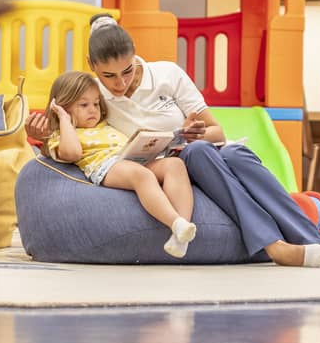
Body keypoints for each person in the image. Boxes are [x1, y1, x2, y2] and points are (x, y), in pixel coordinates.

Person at [86, 14, 320, 268]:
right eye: (108, 76)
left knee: (234, 153)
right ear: (93, 67)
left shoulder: (167, 74)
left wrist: (193, 131)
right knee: (198, 152)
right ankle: (274, 246)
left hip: (200, 149)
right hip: (169, 165)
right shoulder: (92, 93)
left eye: (127, 71)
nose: (120, 83)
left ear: (135, 57)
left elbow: (216, 131)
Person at [26, 71, 199, 258]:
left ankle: (181, 235)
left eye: (95, 103)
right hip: (106, 167)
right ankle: (175, 222)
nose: (93, 110)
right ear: (63, 107)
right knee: (141, 175)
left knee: (174, 165)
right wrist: (64, 120)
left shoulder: (105, 124)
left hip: (131, 160)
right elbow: (73, 153)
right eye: (84, 105)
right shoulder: (60, 135)